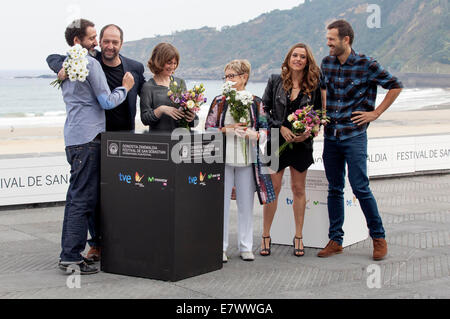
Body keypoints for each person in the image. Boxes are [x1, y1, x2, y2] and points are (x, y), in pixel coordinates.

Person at [46, 24, 145, 261]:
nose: (101, 45)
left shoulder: (77, 62)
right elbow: (107, 102)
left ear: (122, 43)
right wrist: (126, 87)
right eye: (96, 39)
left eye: (114, 42)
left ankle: (71, 253)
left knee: (78, 198)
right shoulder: (90, 62)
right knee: (85, 200)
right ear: (80, 40)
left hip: (82, 137)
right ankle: (76, 253)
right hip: (92, 139)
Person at [319, 20, 403, 260]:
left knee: (360, 187)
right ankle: (335, 239)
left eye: (332, 39)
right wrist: (323, 114)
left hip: (354, 136)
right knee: (334, 188)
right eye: (327, 39)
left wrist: (375, 113)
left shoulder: (367, 64)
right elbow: (323, 88)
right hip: (331, 136)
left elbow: (395, 86)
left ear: (346, 39)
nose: (328, 44)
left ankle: (378, 237)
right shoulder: (327, 62)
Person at [205, 59, 275, 263]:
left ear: (244, 77)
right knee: (221, 205)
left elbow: (265, 130)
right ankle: (220, 247)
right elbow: (208, 129)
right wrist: (225, 130)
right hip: (223, 159)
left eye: (231, 76)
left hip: (247, 161)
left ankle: (246, 246)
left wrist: (254, 135)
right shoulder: (219, 101)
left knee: (246, 205)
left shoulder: (256, 102)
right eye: (226, 76)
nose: (227, 80)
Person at [260, 43, 324, 257]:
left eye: (302, 57)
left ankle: (298, 236)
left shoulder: (313, 85)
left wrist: (309, 132)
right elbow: (263, 112)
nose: (298, 59)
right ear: (288, 58)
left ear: (308, 61)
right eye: (295, 55)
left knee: (298, 189)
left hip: (302, 145)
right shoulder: (274, 80)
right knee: (273, 189)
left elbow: (318, 116)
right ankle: (265, 235)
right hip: (277, 141)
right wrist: (280, 127)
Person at [140, 43, 197, 131]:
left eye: (175, 63)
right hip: (160, 140)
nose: (173, 67)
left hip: (181, 139)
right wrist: (161, 109)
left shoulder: (180, 82)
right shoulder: (148, 87)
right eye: (169, 63)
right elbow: (145, 119)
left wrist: (192, 117)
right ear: (159, 62)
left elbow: (192, 119)